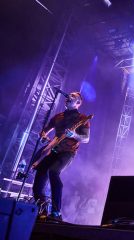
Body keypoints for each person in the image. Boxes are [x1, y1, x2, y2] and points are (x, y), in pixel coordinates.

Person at [32, 91, 90, 220]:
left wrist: (74, 135)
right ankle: (42, 207)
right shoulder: (58, 116)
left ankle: (56, 212)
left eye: (73, 96)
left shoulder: (82, 118)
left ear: (78, 103)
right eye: (70, 95)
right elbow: (44, 130)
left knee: (53, 172)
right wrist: (43, 135)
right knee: (39, 177)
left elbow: (86, 138)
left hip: (68, 152)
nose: (69, 96)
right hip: (53, 149)